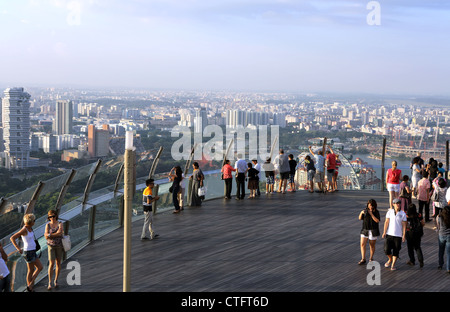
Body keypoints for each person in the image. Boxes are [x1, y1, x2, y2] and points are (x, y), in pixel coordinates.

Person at [10, 213, 43, 292]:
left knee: (37, 268)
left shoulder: (30, 228)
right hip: (28, 252)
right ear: (30, 221)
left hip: (32, 251)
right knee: (33, 269)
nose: (34, 222)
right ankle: (30, 286)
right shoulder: (24, 229)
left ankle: (30, 285)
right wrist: (18, 248)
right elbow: (12, 238)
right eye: (34, 220)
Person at [382, 198, 407, 271]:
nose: (398, 205)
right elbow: (386, 222)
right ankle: (390, 259)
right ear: (393, 204)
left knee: (396, 250)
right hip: (389, 233)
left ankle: (393, 265)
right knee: (386, 250)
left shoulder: (403, 214)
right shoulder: (389, 212)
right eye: (396, 203)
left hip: (398, 235)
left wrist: (404, 235)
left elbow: (404, 225)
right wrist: (384, 232)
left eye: (399, 203)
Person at [44, 210, 64, 290]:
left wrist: (50, 235)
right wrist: (52, 235)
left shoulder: (60, 223)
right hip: (51, 246)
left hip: (59, 245)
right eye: (50, 217)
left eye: (53, 216)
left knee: (58, 262)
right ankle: (49, 282)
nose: (52, 218)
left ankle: (56, 280)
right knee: (51, 263)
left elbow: (60, 233)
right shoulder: (47, 225)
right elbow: (45, 237)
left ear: (56, 216)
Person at [358, 199, 380, 265]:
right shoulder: (365, 211)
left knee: (372, 245)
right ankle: (363, 258)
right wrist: (361, 213)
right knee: (362, 244)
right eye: (369, 205)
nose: (370, 207)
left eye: (372, 205)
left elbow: (377, 220)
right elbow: (359, 218)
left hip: (373, 230)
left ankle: (371, 258)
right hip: (365, 229)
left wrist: (371, 214)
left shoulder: (376, 212)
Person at [437, 206, 450, 273]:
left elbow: (438, 226)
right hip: (449, 236)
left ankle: (440, 264)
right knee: (448, 253)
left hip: (441, 235)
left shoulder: (440, 217)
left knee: (441, 250)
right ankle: (448, 268)